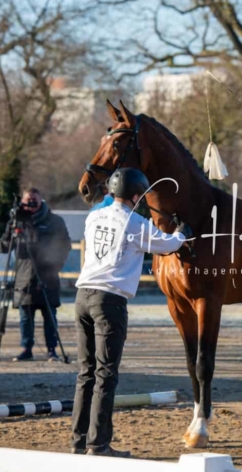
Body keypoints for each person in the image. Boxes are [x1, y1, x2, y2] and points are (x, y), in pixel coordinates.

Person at [71, 168, 190, 457]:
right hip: (109, 301)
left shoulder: (93, 216)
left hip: (82, 296)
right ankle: (98, 445)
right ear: (137, 196)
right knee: (106, 374)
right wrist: (183, 233)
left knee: (85, 373)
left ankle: (79, 440)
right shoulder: (135, 221)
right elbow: (166, 245)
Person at [0, 187, 72, 362]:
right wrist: (12, 228)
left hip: (48, 276)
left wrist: (56, 266)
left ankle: (52, 350)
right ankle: (26, 349)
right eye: (27, 202)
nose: (30, 205)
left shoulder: (54, 221)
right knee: (25, 317)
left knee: (50, 316)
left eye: (34, 202)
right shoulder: (18, 221)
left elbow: (65, 245)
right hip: (24, 275)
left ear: (41, 201)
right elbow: (4, 247)